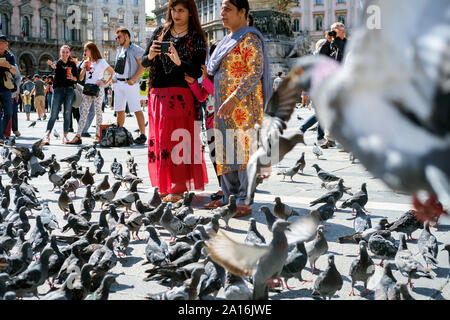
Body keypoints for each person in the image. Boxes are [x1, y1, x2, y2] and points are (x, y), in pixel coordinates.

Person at [203, 0, 272, 216]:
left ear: (243, 12)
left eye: (228, 9)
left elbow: (255, 71)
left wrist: (234, 97)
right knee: (226, 152)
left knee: (244, 153)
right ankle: (229, 197)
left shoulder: (249, 38)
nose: (222, 13)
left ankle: (244, 200)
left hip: (244, 107)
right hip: (224, 108)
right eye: (222, 8)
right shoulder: (226, 41)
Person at [141, 0, 209, 203]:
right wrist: (150, 55)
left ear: (190, 13)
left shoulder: (197, 37)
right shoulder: (160, 32)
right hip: (157, 92)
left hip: (181, 95)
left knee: (178, 140)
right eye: (174, 9)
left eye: (181, 10)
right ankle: (164, 186)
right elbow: (144, 61)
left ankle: (178, 187)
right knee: (161, 140)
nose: (176, 14)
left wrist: (180, 62)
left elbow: (197, 70)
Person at [67, 42, 114, 144]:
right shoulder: (87, 62)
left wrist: (104, 82)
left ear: (91, 50)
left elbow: (112, 72)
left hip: (98, 89)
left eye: (86, 50)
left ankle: (98, 135)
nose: (84, 52)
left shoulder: (101, 61)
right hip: (87, 89)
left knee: (98, 112)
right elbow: (81, 78)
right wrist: (83, 68)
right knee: (83, 112)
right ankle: (78, 135)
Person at [112, 27, 147, 144]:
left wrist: (134, 79)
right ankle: (119, 133)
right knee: (119, 109)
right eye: (116, 37)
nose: (117, 39)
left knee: (136, 108)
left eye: (119, 37)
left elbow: (143, 66)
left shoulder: (135, 49)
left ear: (126, 37)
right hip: (119, 83)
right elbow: (118, 66)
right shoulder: (119, 49)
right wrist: (114, 78)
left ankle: (142, 135)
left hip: (130, 83)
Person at [44, 45, 79, 144]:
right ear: (60, 53)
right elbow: (54, 66)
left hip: (69, 90)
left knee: (67, 113)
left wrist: (72, 78)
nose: (65, 54)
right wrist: (52, 65)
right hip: (58, 90)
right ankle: (47, 135)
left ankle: (65, 136)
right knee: (53, 113)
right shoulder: (57, 63)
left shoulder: (72, 64)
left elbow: (77, 79)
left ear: (69, 53)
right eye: (63, 52)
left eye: (67, 52)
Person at [0, 35, 17, 143]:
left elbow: (15, 72)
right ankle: (0, 136)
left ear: (6, 45)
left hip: (6, 88)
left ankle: (0, 134)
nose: (0, 45)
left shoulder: (10, 56)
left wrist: (9, 66)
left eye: (2, 43)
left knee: (9, 112)